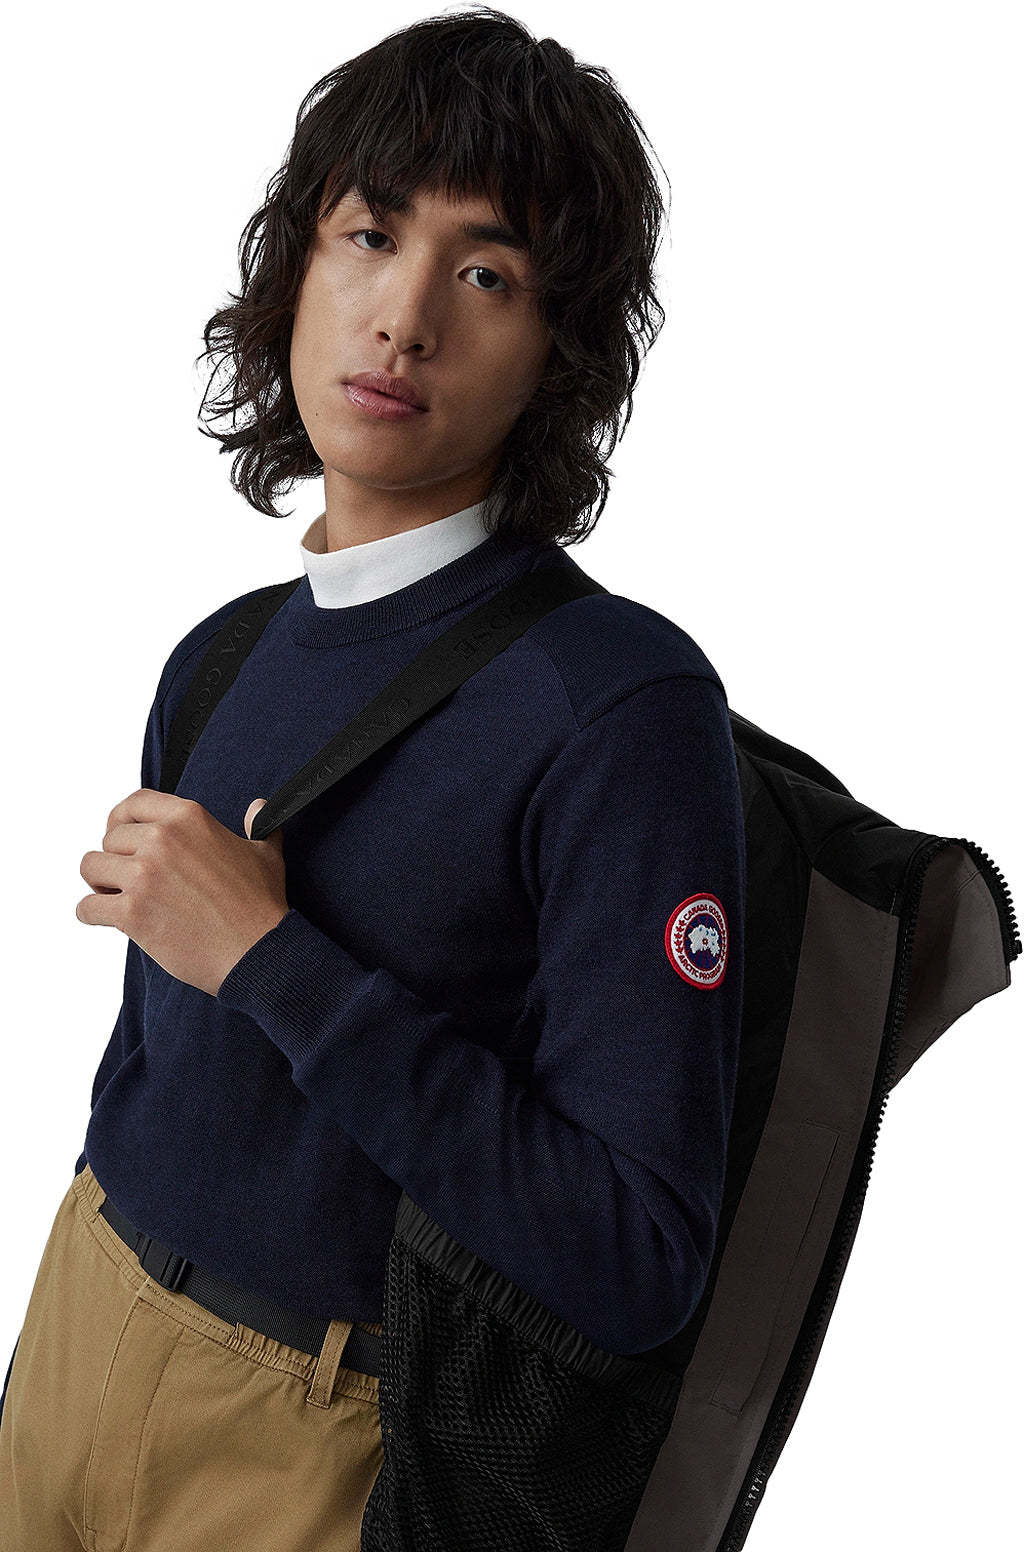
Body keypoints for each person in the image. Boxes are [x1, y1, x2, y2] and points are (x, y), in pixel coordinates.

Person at [0, 9, 745, 1548]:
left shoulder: (620, 709)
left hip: (312, 1435)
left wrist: (275, 961)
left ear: (558, 353)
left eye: (487, 275)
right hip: (75, 1321)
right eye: (369, 235)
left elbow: (637, 1255)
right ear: (298, 267)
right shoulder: (220, 656)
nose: (403, 319)